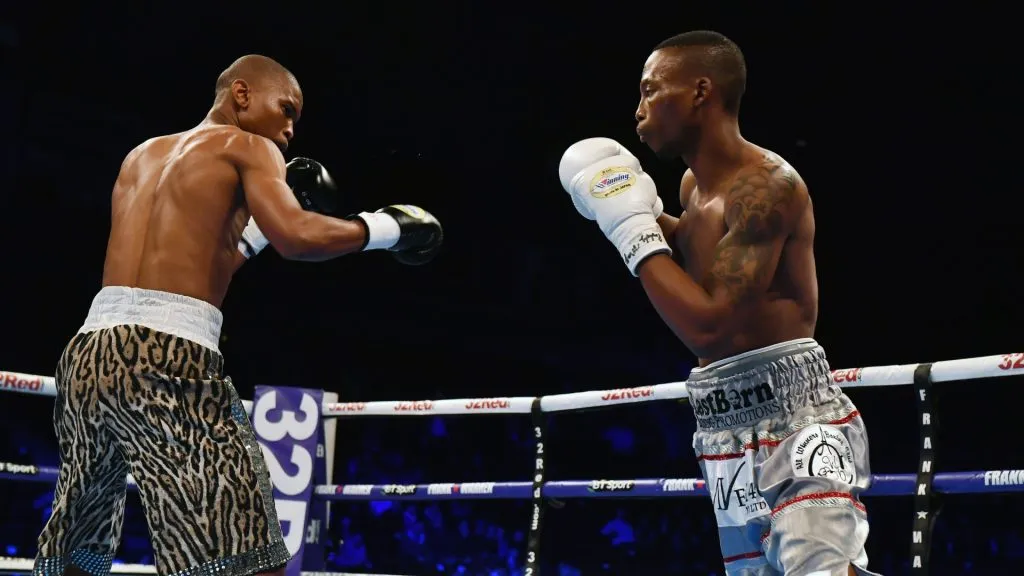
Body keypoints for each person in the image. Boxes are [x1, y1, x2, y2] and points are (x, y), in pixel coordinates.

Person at [33, 54, 443, 576]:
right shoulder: (249, 145)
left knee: (80, 547)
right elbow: (297, 238)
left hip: (90, 356)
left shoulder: (142, 154)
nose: (290, 128)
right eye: (287, 108)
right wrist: (386, 227)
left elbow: (210, 260)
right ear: (242, 94)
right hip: (168, 357)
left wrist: (254, 231)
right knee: (246, 556)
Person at [558, 31, 876, 576]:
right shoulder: (691, 189)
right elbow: (701, 261)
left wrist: (629, 227)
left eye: (650, 91)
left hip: (795, 415)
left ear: (701, 91)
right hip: (720, 421)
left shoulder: (766, 187)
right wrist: (638, 209)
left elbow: (711, 329)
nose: (637, 111)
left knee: (818, 570)